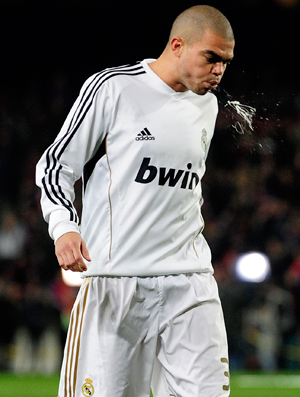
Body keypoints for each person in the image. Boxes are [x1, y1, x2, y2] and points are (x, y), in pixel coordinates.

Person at [36, 5, 235, 397]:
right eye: (211, 58)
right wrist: (64, 228)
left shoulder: (207, 106)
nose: (219, 71)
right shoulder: (113, 88)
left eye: (226, 62)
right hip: (117, 280)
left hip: (190, 281)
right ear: (177, 45)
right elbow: (56, 166)